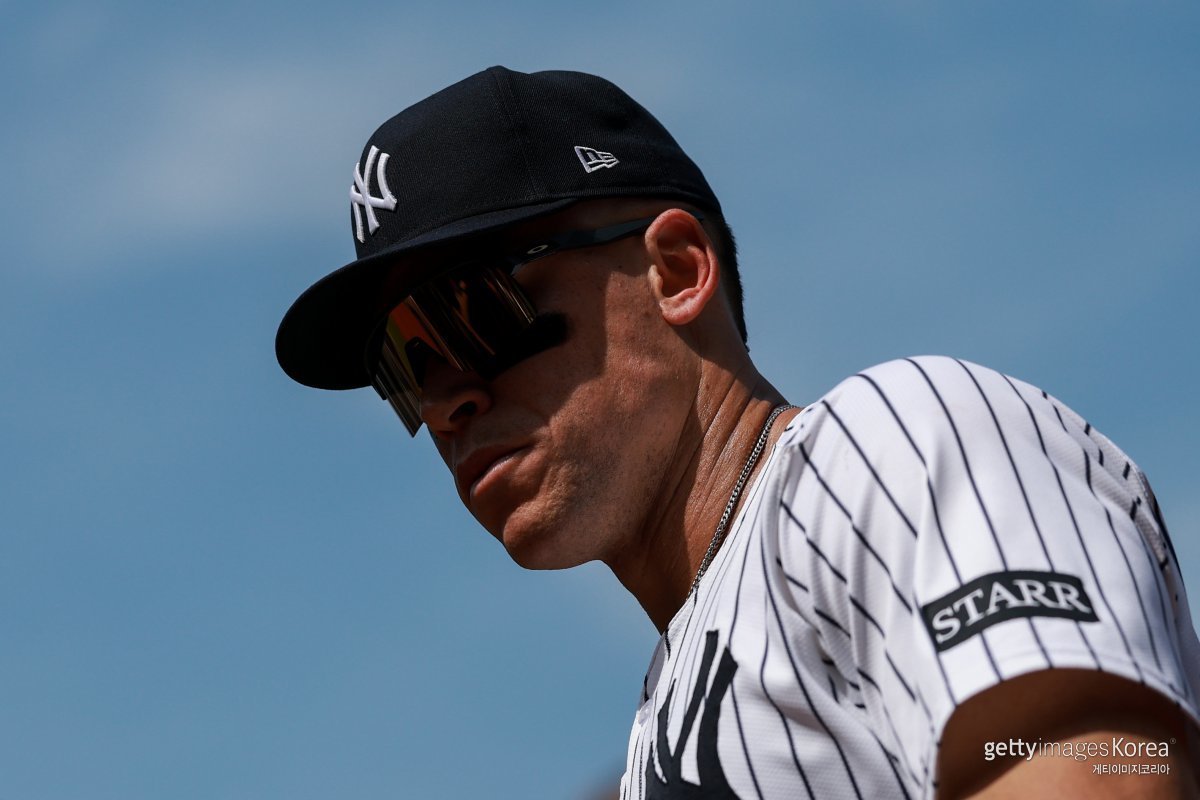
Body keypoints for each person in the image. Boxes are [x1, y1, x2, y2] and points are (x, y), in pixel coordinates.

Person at [275, 66, 1200, 799]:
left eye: (472, 309)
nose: (447, 399)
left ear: (677, 271)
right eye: (406, 365)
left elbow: (1104, 767)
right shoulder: (657, 724)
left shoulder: (886, 443)